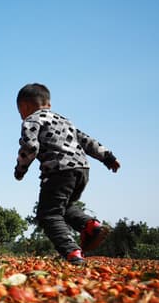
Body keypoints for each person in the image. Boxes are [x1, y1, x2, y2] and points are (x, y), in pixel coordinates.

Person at [13, 83, 120, 265]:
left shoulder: (31, 120)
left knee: (48, 214)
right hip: (82, 170)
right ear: (48, 102)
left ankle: (72, 252)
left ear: (25, 106)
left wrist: (20, 169)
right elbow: (86, 140)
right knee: (65, 207)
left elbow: (31, 147)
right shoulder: (64, 120)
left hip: (58, 171)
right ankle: (91, 225)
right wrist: (107, 157)